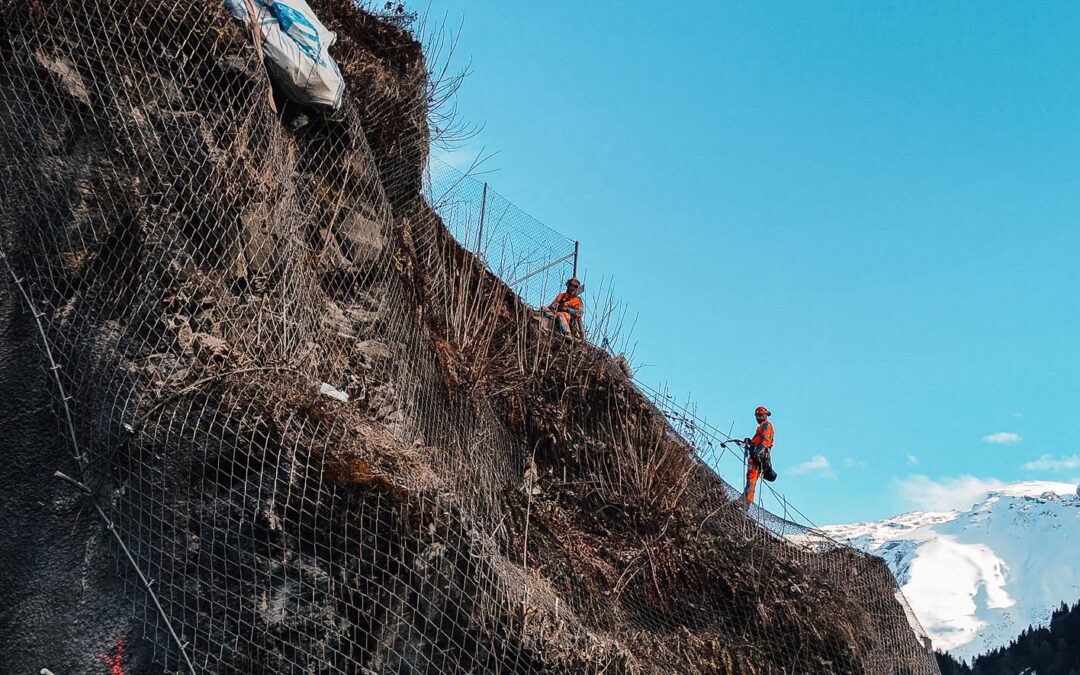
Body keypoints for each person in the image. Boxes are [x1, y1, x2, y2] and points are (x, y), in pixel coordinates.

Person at [743, 405, 775, 505]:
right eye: (757, 416)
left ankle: (746, 502)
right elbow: (759, 441)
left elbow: (765, 440)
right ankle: (745, 499)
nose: (758, 418)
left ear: (765, 415)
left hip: (758, 457)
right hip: (758, 456)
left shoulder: (766, 425)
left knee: (751, 478)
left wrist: (757, 452)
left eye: (760, 415)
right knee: (750, 478)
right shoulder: (761, 427)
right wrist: (751, 442)